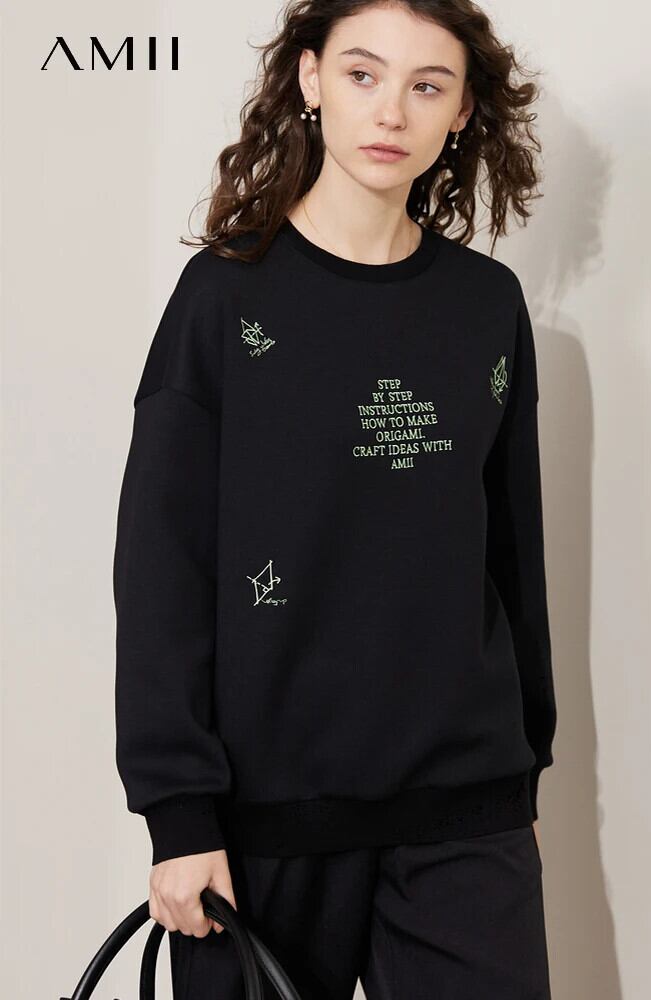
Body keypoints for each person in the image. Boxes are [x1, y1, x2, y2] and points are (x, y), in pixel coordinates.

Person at [112, 1, 558, 997]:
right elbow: (161, 569)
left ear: (462, 111)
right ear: (310, 79)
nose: (391, 110)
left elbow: (511, 556)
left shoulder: (485, 306)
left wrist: (521, 777)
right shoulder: (224, 299)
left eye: (427, 85)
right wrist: (178, 813)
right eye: (363, 74)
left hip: (466, 807)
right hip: (263, 819)